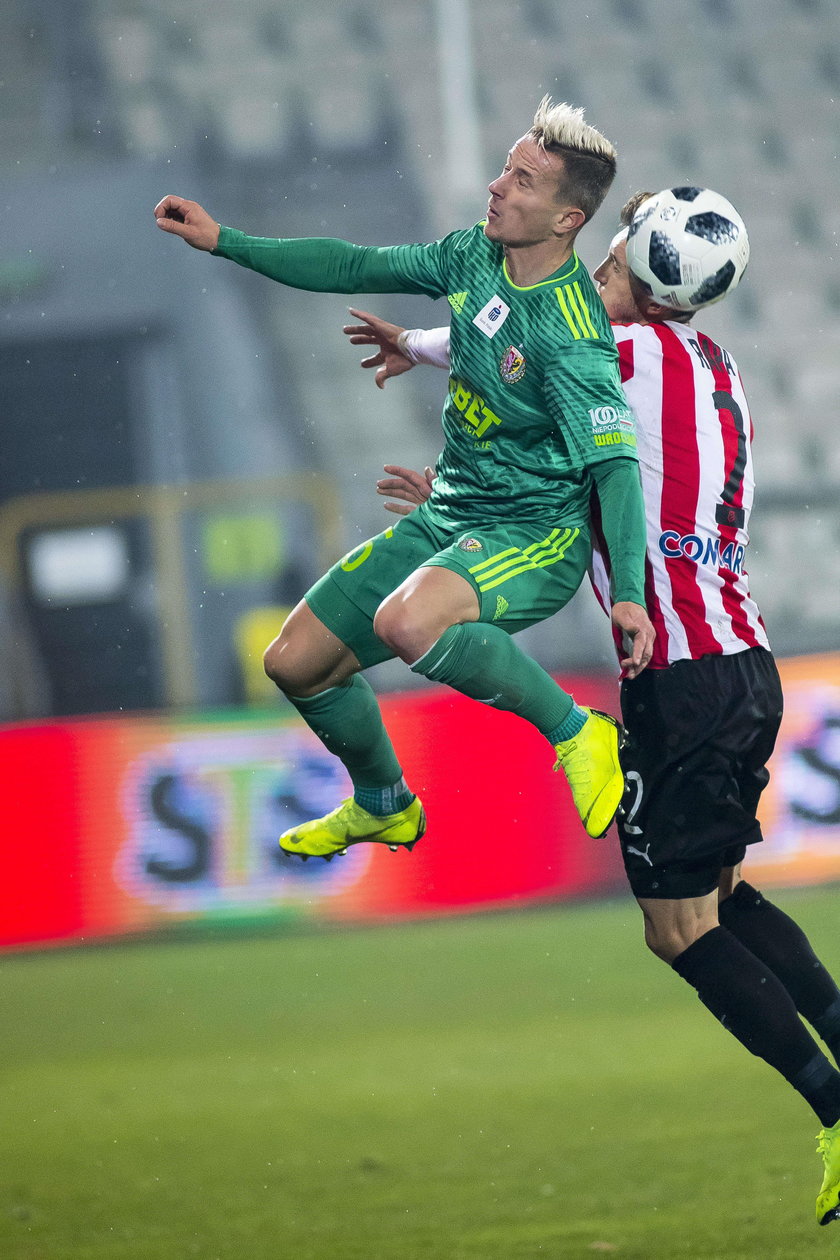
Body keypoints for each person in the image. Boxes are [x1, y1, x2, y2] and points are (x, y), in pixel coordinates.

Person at [345, 189, 840, 1227]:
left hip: (681, 679)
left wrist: (429, 376)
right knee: (723, 899)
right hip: (743, 663)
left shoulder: (611, 361)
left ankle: (837, 1111)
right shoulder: (709, 367)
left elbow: (518, 359)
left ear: (631, 248)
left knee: (678, 930)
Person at [154, 98, 655, 857]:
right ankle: (385, 804)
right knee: (296, 663)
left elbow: (616, 466)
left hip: (533, 537)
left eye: (521, 180)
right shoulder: (472, 257)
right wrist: (227, 241)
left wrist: (625, 594)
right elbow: (357, 265)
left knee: (407, 622)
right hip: (450, 515)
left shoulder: (574, 333)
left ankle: (579, 731)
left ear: (565, 220)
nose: (496, 186)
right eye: (505, 168)